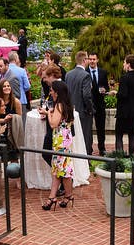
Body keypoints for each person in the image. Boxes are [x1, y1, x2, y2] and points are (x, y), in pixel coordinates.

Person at [39, 80, 76, 209]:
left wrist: (48, 113)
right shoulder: (66, 105)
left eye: (52, 90)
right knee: (57, 169)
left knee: (62, 169)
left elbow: (54, 124)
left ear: (57, 92)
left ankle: (66, 195)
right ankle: (56, 196)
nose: (51, 92)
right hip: (63, 139)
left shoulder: (59, 105)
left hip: (61, 140)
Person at [64, 51, 94, 155]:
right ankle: (85, 160)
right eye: (88, 59)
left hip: (70, 111)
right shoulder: (86, 75)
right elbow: (86, 95)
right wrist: (90, 109)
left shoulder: (68, 74)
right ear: (84, 60)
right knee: (85, 137)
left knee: (73, 137)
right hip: (83, 112)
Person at [114, 55, 134, 155]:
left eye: (124, 62)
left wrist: (116, 94)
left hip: (124, 112)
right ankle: (132, 157)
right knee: (132, 135)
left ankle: (120, 158)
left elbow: (123, 94)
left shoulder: (124, 78)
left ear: (128, 64)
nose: (123, 64)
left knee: (119, 135)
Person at [86, 51, 108, 155]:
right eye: (90, 59)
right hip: (88, 105)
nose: (92, 61)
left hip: (100, 105)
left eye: (94, 59)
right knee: (88, 128)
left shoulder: (103, 72)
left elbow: (106, 86)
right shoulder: (85, 72)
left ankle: (102, 148)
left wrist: (104, 90)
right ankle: (89, 149)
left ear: (97, 60)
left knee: (101, 128)